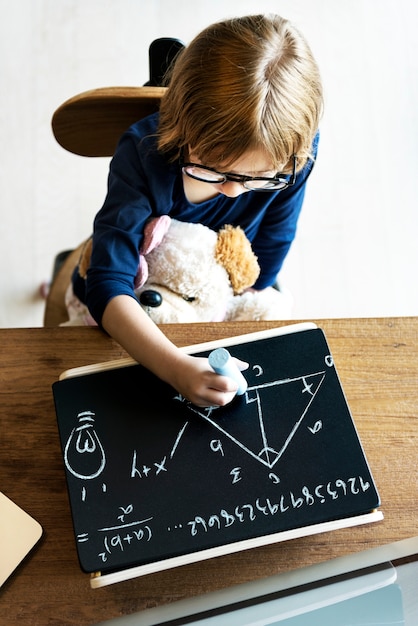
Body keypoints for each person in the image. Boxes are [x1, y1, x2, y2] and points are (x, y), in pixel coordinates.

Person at [70, 13, 323, 407]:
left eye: (259, 177)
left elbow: (275, 238)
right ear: (181, 124)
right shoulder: (143, 153)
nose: (234, 190)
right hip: (141, 295)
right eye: (211, 168)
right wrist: (175, 367)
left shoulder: (295, 159)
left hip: (216, 290)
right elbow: (106, 283)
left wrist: (244, 292)